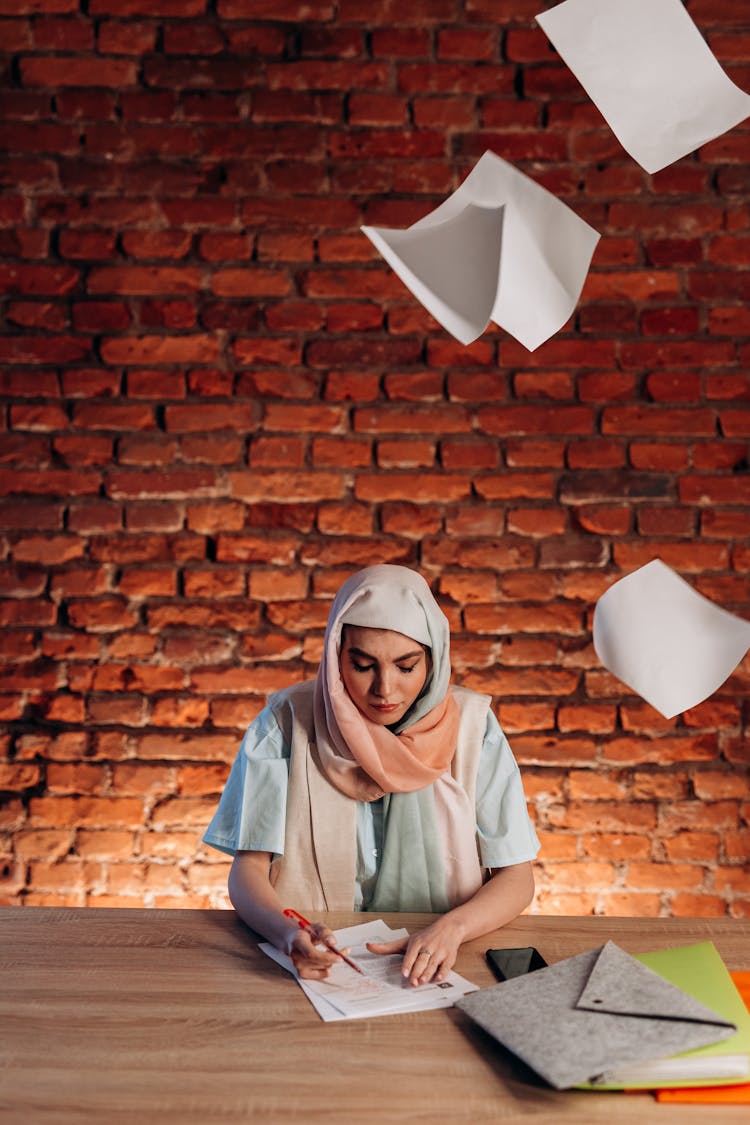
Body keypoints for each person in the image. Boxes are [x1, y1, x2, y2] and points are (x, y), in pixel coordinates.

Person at [203, 564, 539, 987]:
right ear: (335, 655)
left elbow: (516, 876)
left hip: (445, 964)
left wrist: (451, 930)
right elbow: (248, 870)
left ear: (433, 660)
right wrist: (289, 934)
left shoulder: (475, 727)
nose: (385, 689)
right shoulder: (285, 722)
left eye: (406, 666)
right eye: (363, 665)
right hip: (314, 972)